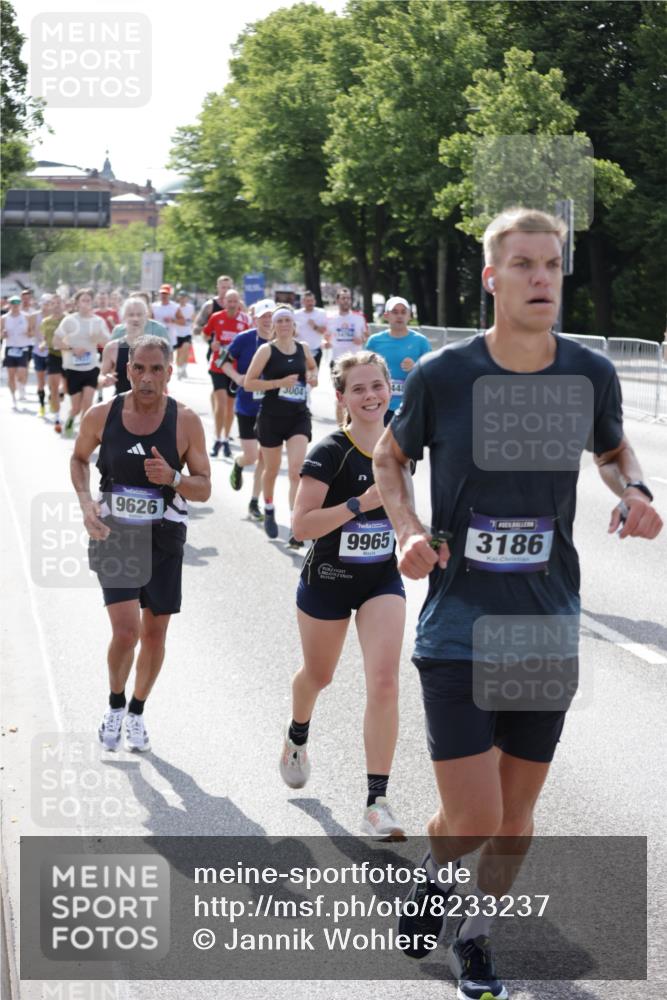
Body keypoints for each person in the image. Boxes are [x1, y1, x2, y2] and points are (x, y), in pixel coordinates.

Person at [373, 207, 663, 1000]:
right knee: (469, 817)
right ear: (491, 278)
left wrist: (632, 488)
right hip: (459, 622)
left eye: (553, 265)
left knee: (512, 815)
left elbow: (609, 449)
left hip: (542, 623)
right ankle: (436, 874)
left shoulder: (587, 373)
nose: (542, 279)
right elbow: (388, 456)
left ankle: (475, 932)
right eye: (525, 264)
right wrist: (406, 529)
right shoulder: (444, 373)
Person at [280, 350, 406, 838]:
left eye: (377, 385)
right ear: (342, 397)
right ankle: (297, 735)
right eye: (359, 388)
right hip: (327, 581)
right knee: (319, 675)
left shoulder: (401, 445)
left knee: (385, 682)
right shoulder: (329, 452)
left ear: (389, 388)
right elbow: (300, 526)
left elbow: (405, 505)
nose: (371, 395)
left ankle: (377, 801)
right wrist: (359, 503)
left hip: (380, 580)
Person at [71, 335, 211, 752]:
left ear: (169, 372)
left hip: (163, 537)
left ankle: (136, 711)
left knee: (154, 635)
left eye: (156, 370)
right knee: (126, 632)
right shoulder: (102, 414)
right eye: (138, 368)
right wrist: (85, 504)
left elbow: (203, 488)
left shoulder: (185, 421)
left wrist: (173, 478)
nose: (146, 378)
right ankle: (115, 704)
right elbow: (78, 458)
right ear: (126, 370)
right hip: (115, 535)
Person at [244, 305, 318, 544]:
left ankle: (296, 526)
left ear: (294, 324)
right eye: (280, 321)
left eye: (288, 320)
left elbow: (312, 367)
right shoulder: (266, 350)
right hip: (272, 418)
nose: (284, 324)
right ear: (274, 326)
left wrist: (314, 376)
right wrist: (279, 383)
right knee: (272, 469)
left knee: (297, 470)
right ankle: (268, 507)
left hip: (298, 416)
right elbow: (249, 383)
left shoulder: (303, 348)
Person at [220, 298, 277, 521]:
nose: (268, 321)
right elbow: (223, 362)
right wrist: (238, 377)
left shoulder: (282, 342)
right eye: (264, 316)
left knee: (265, 457)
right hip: (246, 405)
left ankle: (254, 502)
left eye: (271, 316)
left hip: (272, 407)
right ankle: (239, 462)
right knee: (252, 456)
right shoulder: (244, 339)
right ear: (255, 319)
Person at [53, 288, 110, 436]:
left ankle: (84, 435)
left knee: (88, 403)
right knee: (76, 407)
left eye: (89, 300)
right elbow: (56, 341)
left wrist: (98, 338)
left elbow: (108, 343)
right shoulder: (70, 320)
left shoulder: (98, 321)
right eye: (83, 300)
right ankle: (71, 419)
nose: (86, 303)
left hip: (91, 367)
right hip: (73, 369)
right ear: (77, 303)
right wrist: (72, 349)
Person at [366, 296, 431, 424]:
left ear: (409, 316)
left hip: (411, 404)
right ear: (386, 315)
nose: (399, 316)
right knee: (379, 443)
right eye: (395, 312)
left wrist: (416, 366)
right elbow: (363, 371)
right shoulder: (374, 341)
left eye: (403, 312)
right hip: (380, 405)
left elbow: (431, 372)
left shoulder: (421, 341)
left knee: (408, 444)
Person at [203, 288, 251, 458]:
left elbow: (251, 340)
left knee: (230, 407)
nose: (231, 304)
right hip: (218, 364)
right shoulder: (216, 317)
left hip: (236, 369)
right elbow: (206, 334)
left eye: (235, 301)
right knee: (221, 403)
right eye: (229, 301)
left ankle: (225, 438)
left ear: (239, 303)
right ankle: (216, 438)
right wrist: (212, 344)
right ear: (224, 302)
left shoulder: (245, 321)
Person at [100, 298, 171, 395]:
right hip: (122, 404)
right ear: (124, 317)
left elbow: (166, 375)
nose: (135, 319)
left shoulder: (158, 346)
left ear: (146, 316)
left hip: (153, 403)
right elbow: (101, 377)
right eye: (131, 315)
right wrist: (105, 379)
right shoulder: (112, 347)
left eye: (139, 314)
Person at [324, 287, 367, 424]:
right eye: (343, 298)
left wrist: (362, 339)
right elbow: (326, 337)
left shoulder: (359, 317)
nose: (346, 301)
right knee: (340, 397)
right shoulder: (331, 318)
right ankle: (341, 429)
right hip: (337, 362)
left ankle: (355, 424)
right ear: (337, 300)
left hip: (356, 362)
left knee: (356, 395)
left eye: (348, 298)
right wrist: (326, 343)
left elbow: (367, 336)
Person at [1, 295, 35, 408]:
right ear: (9, 305)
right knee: (11, 375)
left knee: (21, 372)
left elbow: (32, 332)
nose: (15, 306)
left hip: (23, 347)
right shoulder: (4, 318)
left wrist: (29, 333)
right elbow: (0, 334)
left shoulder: (27, 317)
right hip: (10, 348)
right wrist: (3, 334)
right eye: (13, 304)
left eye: (17, 304)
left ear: (20, 305)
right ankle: (13, 398)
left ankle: (21, 387)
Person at [39, 292, 67, 431]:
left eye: (59, 303)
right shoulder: (45, 322)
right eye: (53, 304)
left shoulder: (69, 319)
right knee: (53, 387)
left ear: (63, 304)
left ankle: (62, 392)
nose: (56, 306)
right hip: (52, 355)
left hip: (68, 356)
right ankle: (57, 417)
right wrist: (43, 344)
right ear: (50, 306)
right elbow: (44, 338)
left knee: (66, 388)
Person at [294, 291, 327, 370]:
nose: (310, 303)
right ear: (302, 302)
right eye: (307, 301)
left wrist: (314, 326)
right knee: (302, 376)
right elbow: (293, 333)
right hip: (300, 351)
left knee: (314, 376)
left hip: (316, 350)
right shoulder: (296, 314)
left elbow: (324, 331)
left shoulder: (321, 313)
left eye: (312, 301)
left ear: (315, 301)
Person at [32, 294, 53, 416]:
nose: (46, 306)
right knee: (41, 381)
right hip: (38, 352)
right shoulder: (36, 316)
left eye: (48, 303)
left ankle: (52, 401)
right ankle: (41, 406)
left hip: (51, 353)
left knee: (52, 380)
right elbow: (35, 332)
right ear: (41, 304)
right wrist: (41, 341)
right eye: (44, 303)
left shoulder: (54, 318)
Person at [151, 284, 185, 350]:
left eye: (166, 293)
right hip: (156, 337)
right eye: (162, 293)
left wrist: (172, 320)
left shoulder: (175, 307)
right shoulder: (154, 306)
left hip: (169, 337)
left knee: (168, 359)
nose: (164, 295)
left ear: (169, 294)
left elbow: (183, 321)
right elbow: (149, 320)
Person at [174, 290, 195, 378]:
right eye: (181, 297)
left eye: (184, 297)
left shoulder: (190, 307)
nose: (183, 299)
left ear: (187, 298)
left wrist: (191, 323)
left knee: (185, 350)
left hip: (187, 332)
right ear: (179, 298)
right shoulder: (175, 307)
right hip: (177, 333)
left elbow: (193, 317)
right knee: (179, 352)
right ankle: (179, 369)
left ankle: (183, 368)